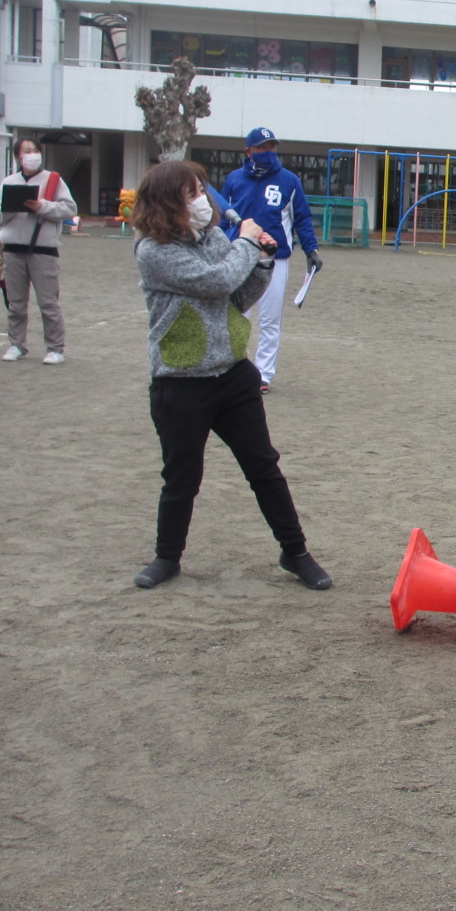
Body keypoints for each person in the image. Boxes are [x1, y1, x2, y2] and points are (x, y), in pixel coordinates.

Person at [129, 161, 332, 592]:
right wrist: (246, 242)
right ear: (168, 202)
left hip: (233, 375)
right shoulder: (154, 251)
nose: (201, 199)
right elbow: (216, 281)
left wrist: (261, 259)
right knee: (182, 478)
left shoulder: (213, 235)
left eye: (201, 190)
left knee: (264, 468)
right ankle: (167, 557)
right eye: (191, 193)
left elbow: (237, 298)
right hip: (180, 381)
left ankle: (295, 552)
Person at [221, 127, 321, 392]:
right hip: (238, 255)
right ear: (248, 151)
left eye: (271, 147)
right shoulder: (233, 180)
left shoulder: (289, 181)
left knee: (270, 319)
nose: (268, 152)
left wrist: (311, 250)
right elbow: (222, 220)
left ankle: (263, 374)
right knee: (235, 315)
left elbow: (302, 218)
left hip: (275, 258)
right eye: (262, 147)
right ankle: (232, 367)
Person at [0, 137, 77, 364]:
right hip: (13, 249)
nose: (32, 155)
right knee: (15, 302)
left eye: (35, 150)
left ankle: (55, 348)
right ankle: (16, 344)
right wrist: (11, 207)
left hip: (43, 249)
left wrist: (43, 207)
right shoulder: (9, 181)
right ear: (18, 157)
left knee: (48, 302)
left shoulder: (53, 180)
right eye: (26, 151)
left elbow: (69, 208)